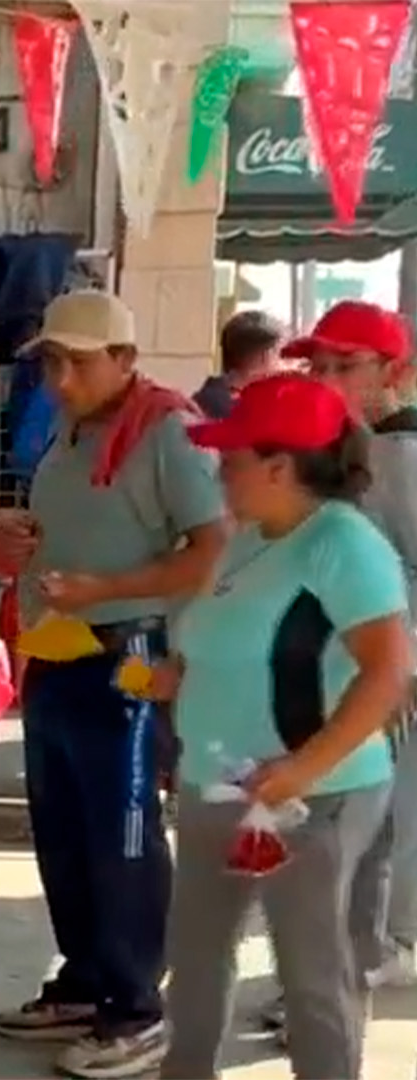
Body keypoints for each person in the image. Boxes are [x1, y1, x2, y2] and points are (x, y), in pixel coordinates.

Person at [0, 291, 229, 1078]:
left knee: (123, 833)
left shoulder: (170, 430)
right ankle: (85, 980)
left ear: (124, 360)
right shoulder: (74, 425)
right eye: (52, 362)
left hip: (126, 652)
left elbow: (210, 548)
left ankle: (138, 1005)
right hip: (59, 650)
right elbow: (86, 514)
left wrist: (110, 588)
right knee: (62, 825)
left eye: (77, 363)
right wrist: (25, 532)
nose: (59, 378)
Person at [158, 374, 410, 1080]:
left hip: (310, 796)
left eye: (231, 458)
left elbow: (386, 673)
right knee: (197, 955)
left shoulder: (344, 545)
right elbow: (217, 629)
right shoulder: (248, 536)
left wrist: (303, 769)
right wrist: (180, 670)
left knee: (312, 973)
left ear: (280, 466)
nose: (219, 470)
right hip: (219, 780)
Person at [294, 301, 417, 998]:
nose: (327, 378)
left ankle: (375, 953)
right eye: (318, 365)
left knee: (382, 825)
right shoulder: (352, 448)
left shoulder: (401, 452)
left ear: (394, 371)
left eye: (346, 365)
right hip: (346, 668)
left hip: (389, 675)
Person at [194, 310, 286, 420]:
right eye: (280, 354)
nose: (282, 363)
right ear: (265, 356)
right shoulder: (247, 412)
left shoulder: (203, 399)